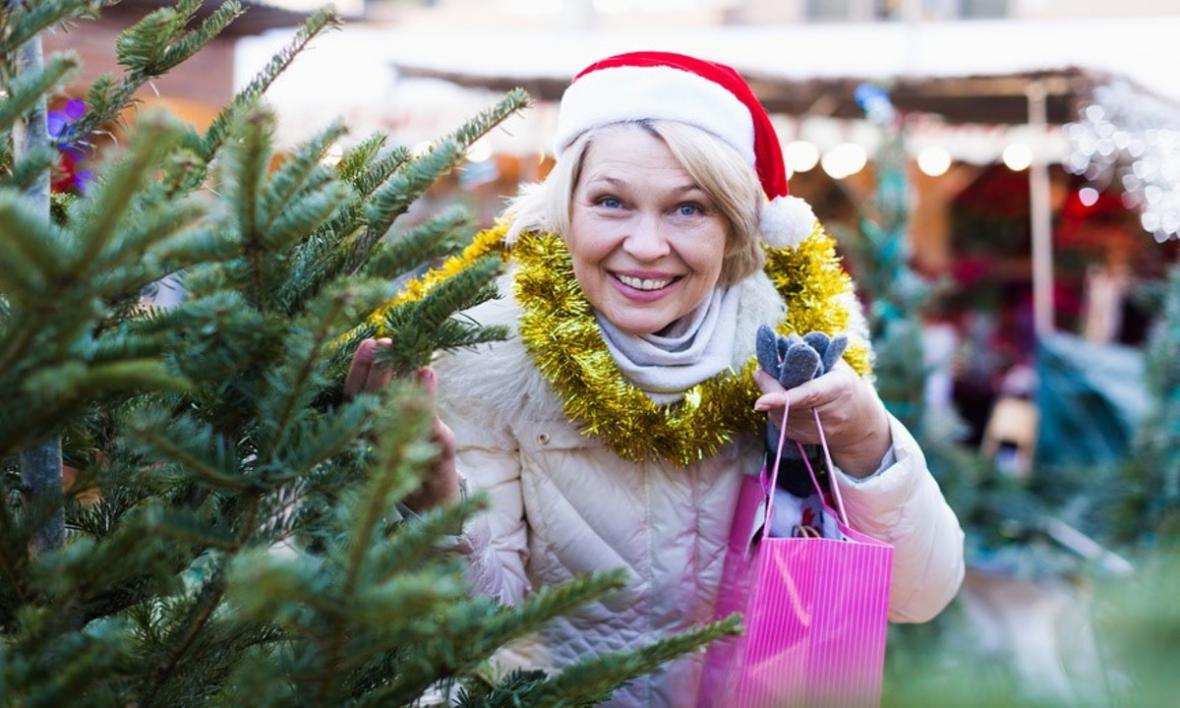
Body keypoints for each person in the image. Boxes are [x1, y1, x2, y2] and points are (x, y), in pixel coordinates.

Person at [346, 51, 964, 707]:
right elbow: (471, 629)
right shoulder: (491, 357)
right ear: (568, 210)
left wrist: (867, 444)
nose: (644, 246)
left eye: (687, 209)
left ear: (734, 227)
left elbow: (920, 596)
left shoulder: (799, 354)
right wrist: (435, 499)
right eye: (611, 202)